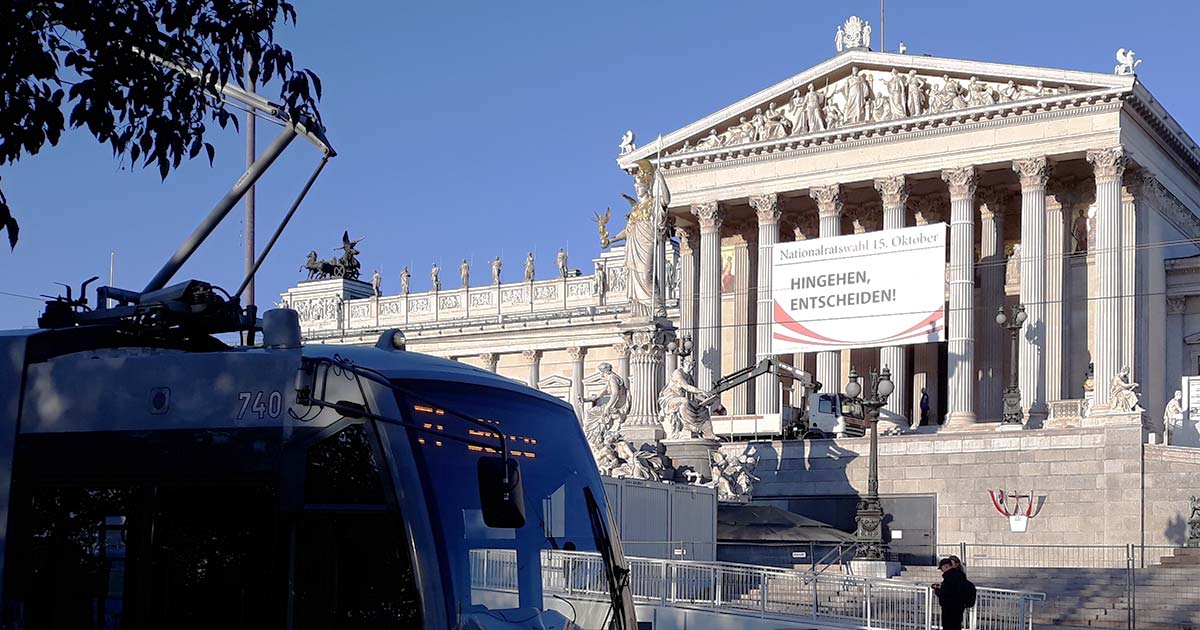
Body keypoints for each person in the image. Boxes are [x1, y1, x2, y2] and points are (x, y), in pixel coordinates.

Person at [932, 557, 975, 630]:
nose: (942, 571)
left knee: (948, 626)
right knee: (956, 625)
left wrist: (936, 589)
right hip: (959, 607)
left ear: (946, 566)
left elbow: (944, 593)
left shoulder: (948, 577)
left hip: (949, 608)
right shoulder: (960, 575)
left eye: (942, 568)